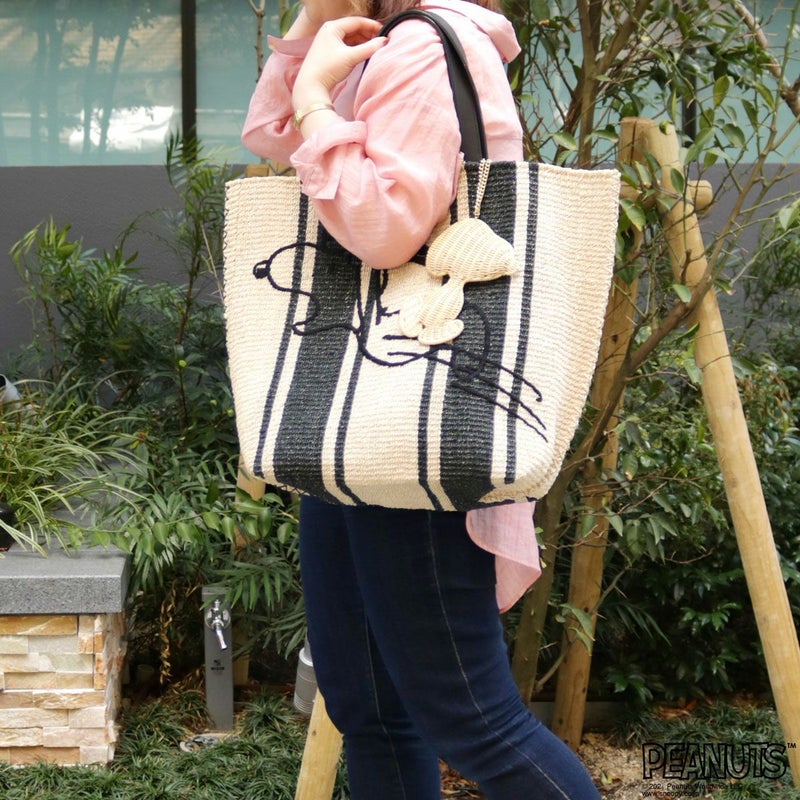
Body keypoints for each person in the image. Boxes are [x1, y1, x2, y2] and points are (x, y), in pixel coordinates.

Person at [242, 0, 602, 797]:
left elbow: (385, 229)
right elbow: (271, 134)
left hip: (414, 419)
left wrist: (315, 99)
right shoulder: (378, 44)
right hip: (356, 420)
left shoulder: (420, 49)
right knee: (369, 708)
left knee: (472, 719)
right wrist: (315, 35)